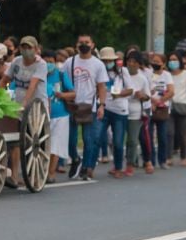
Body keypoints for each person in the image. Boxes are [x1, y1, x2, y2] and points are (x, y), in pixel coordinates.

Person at [4, 36, 49, 188]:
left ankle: (35, 175)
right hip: (18, 105)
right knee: (16, 141)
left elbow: (33, 85)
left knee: (34, 141)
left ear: (36, 49)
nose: (26, 50)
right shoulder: (16, 62)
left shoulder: (41, 64)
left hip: (36, 107)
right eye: (23, 47)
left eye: (29, 47)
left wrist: (24, 103)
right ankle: (14, 176)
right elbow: (5, 79)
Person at [64, 35, 109, 180]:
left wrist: (102, 105)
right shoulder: (69, 62)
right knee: (70, 140)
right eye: (81, 42)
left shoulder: (98, 64)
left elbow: (102, 86)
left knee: (89, 140)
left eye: (87, 42)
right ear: (76, 45)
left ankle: (86, 167)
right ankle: (75, 158)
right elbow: (63, 81)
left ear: (92, 45)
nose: (84, 45)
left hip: (90, 106)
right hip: (72, 105)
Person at [105, 49, 149, 177]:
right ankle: (117, 165)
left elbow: (147, 96)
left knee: (132, 141)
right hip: (119, 110)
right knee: (117, 140)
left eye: (134, 62)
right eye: (129, 61)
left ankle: (130, 164)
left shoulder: (142, 78)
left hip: (134, 113)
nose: (131, 64)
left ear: (139, 64)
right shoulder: (120, 73)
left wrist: (142, 96)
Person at [43, 49, 74, 181]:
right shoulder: (38, 75)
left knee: (55, 145)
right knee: (43, 145)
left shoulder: (61, 75)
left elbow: (73, 93)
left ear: (55, 62)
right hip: (42, 115)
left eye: (51, 62)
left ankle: (51, 173)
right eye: (45, 62)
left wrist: (61, 95)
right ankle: (43, 171)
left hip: (60, 115)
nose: (48, 64)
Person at [146, 52, 173, 172]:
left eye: (158, 62)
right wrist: (152, 102)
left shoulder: (167, 75)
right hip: (149, 107)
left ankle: (162, 160)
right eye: (153, 61)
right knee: (149, 136)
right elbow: (145, 90)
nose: (155, 63)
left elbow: (171, 91)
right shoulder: (148, 74)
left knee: (162, 136)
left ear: (163, 64)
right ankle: (150, 161)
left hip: (162, 109)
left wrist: (159, 102)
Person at [170, 52, 186, 166]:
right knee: (169, 132)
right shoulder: (167, 75)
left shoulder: (185, 74)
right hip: (169, 106)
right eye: (171, 60)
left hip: (183, 106)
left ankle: (184, 157)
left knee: (182, 134)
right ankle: (168, 157)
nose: (172, 62)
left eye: (175, 59)